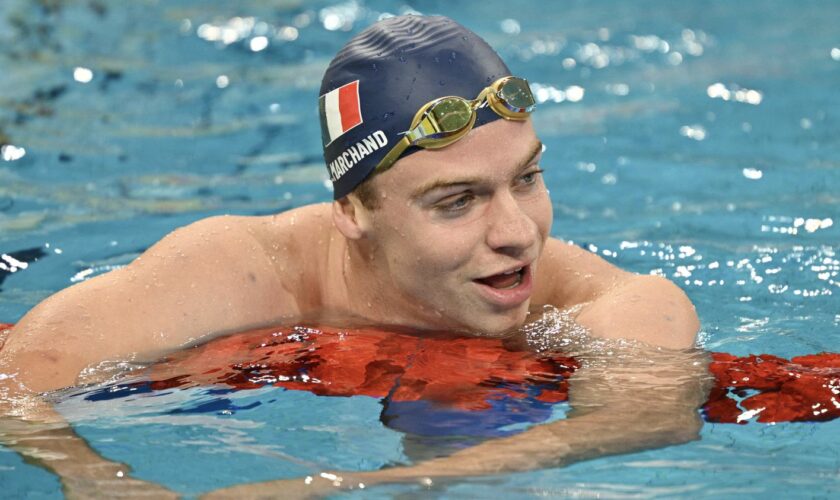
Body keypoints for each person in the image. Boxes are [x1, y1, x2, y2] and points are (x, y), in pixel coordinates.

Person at [0, 15, 706, 497]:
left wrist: (344, 488)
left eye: (527, 177)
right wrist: (101, 481)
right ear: (352, 211)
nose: (518, 233)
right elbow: (14, 383)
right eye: (456, 201)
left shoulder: (603, 301)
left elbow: (649, 418)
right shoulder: (243, 271)